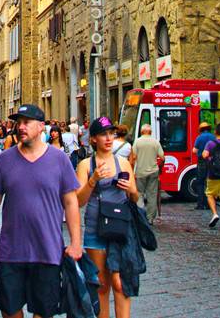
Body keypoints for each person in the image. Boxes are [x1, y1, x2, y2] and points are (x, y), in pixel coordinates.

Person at [0, 104, 83, 318]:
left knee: (43, 310)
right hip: (11, 250)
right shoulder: (6, 158)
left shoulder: (59, 159)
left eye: (26, 122)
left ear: (41, 126)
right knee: (9, 308)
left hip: (48, 250)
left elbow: (71, 202)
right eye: (18, 122)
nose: (20, 127)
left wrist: (76, 242)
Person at [75, 117, 137, 318]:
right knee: (101, 286)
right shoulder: (85, 164)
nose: (109, 138)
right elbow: (78, 200)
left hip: (120, 230)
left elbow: (135, 198)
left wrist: (131, 190)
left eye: (112, 133)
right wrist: (93, 180)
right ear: (93, 139)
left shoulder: (124, 163)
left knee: (121, 285)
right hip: (96, 230)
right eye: (103, 134)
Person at [131, 125, 163, 225]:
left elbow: (133, 157)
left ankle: (141, 216)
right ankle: (150, 218)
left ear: (141, 132)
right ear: (150, 132)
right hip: (153, 171)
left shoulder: (137, 141)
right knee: (152, 195)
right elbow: (162, 157)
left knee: (139, 194)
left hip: (140, 172)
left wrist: (132, 171)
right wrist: (160, 169)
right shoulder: (155, 142)